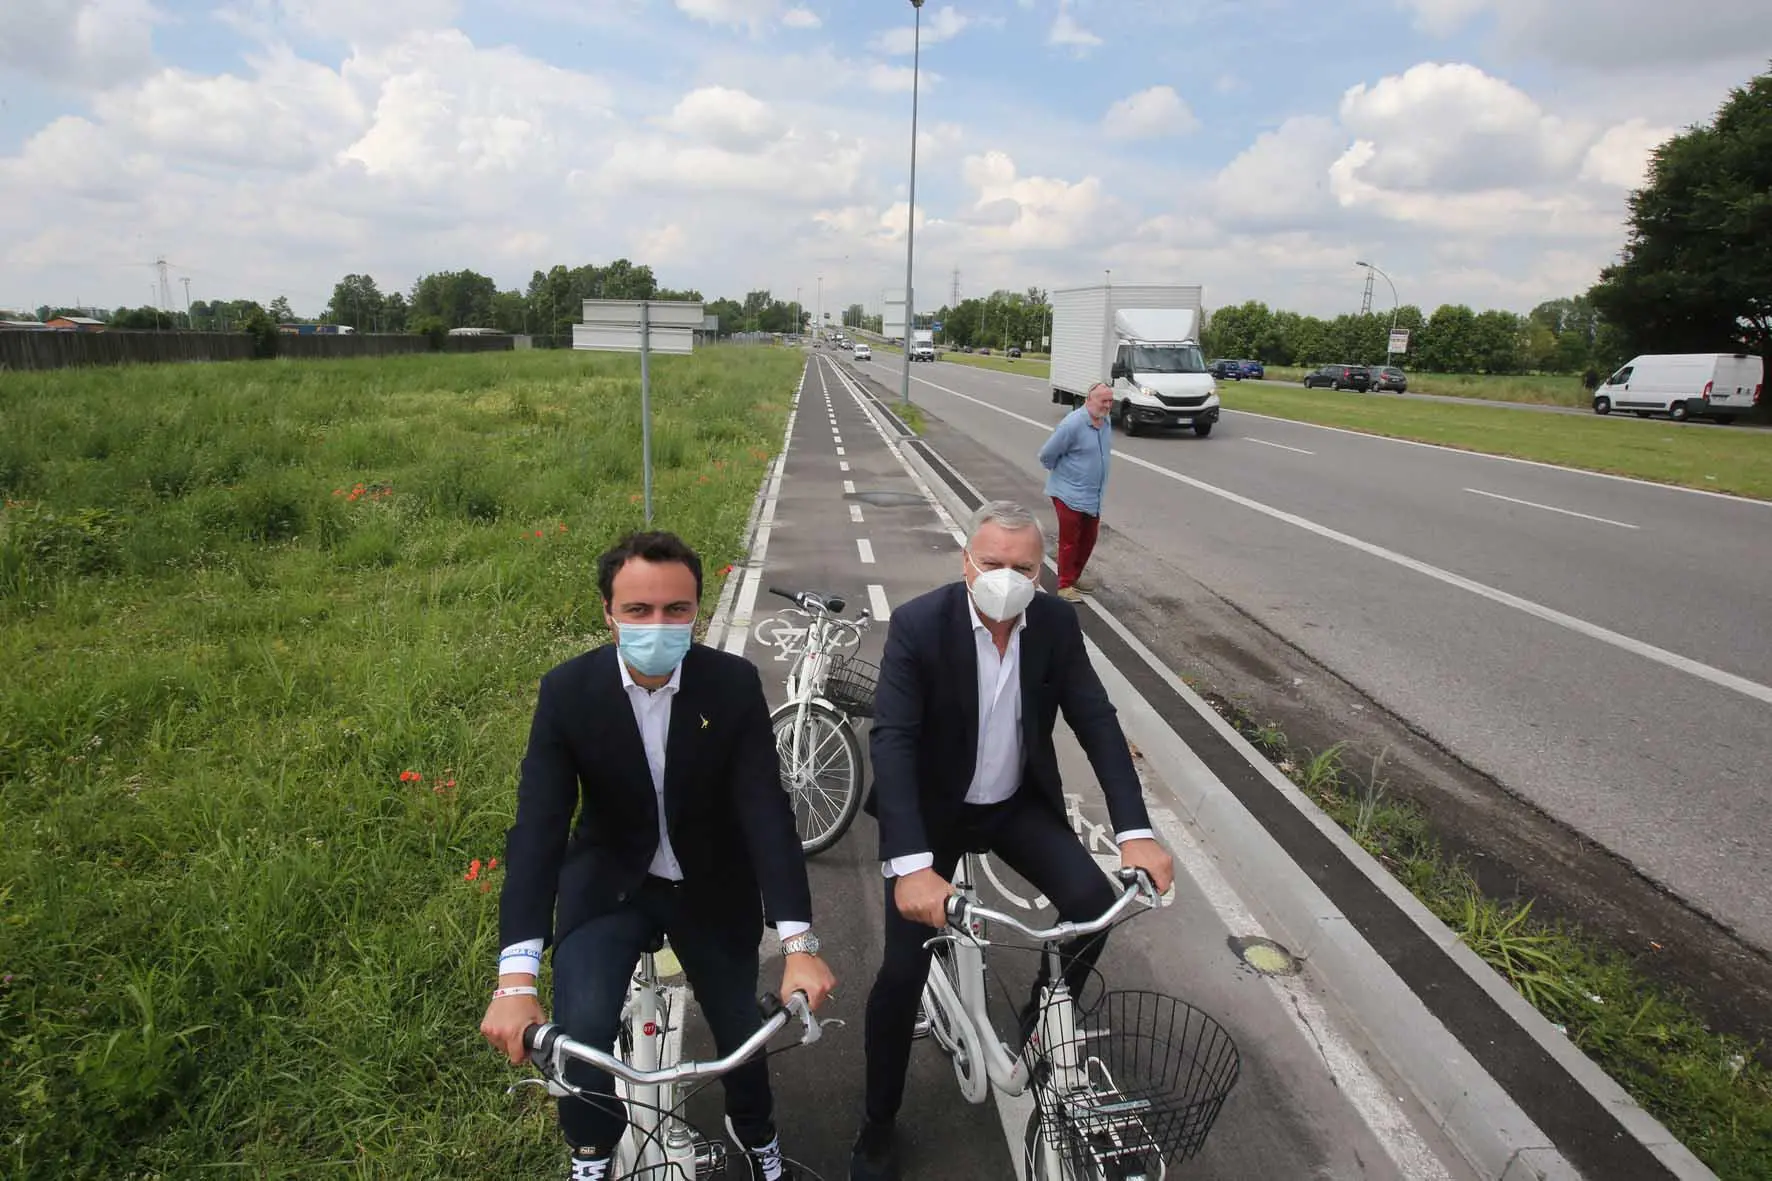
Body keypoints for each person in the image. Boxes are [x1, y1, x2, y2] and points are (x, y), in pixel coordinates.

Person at [481, 531, 837, 1181]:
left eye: (677, 609)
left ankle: (755, 1132)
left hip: (709, 883)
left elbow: (765, 809)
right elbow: (538, 828)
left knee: (740, 1030)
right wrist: (515, 980)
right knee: (582, 1030)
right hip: (609, 883)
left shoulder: (731, 684)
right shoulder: (568, 692)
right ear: (608, 614)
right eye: (638, 610)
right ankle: (590, 1152)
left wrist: (798, 942)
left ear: (696, 611)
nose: (658, 624)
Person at [848, 501, 1176, 1181]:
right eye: (991, 563)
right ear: (966, 561)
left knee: (1092, 899)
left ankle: (1038, 1015)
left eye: (1022, 567)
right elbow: (894, 741)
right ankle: (878, 1122)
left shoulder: (1056, 623)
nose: (1005, 577)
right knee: (902, 974)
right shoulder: (919, 626)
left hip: (1012, 805)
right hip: (931, 818)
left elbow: (1096, 720)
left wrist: (1136, 831)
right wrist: (910, 865)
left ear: (1041, 572)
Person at [1038, 382, 1114, 603]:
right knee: (1070, 541)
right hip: (1068, 494)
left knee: (1088, 539)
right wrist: (1065, 476)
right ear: (1088, 400)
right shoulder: (1072, 424)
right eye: (1103, 401)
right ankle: (1064, 585)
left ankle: (1074, 577)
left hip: (1093, 495)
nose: (1108, 406)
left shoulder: (1105, 421)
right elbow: (1046, 455)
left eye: (1111, 401)